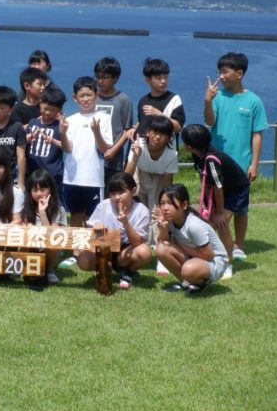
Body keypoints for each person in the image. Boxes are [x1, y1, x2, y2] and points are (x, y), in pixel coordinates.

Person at [204, 52, 268, 262]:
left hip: (241, 162)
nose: (221, 76)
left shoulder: (254, 101)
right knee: (215, 202)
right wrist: (207, 101)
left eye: (225, 72)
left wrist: (254, 164)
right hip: (216, 161)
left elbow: (257, 134)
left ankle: (238, 245)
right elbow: (210, 121)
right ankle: (221, 243)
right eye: (219, 72)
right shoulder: (218, 96)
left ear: (239, 73)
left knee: (241, 206)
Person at [181, 124, 249, 279]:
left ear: (189, 146)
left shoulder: (211, 159)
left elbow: (218, 187)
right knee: (209, 222)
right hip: (222, 189)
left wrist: (219, 212)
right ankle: (210, 257)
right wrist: (206, 203)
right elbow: (205, 179)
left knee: (221, 224)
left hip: (236, 190)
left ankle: (227, 264)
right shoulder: (197, 153)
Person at [60, 76, 112, 267]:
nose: (86, 99)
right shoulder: (70, 120)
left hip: (93, 178)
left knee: (93, 218)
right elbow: (68, 148)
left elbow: (105, 149)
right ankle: (76, 253)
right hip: (72, 177)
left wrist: (96, 131)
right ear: (75, 98)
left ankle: (91, 251)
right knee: (75, 215)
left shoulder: (104, 118)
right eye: (81, 96)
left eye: (89, 95)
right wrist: (62, 131)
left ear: (96, 95)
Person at [78, 172, 152, 290]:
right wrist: (96, 227)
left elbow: (137, 242)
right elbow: (90, 231)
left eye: (121, 192)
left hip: (126, 251)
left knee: (144, 252)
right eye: (113, 193)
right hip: (104, 249)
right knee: (83, 259)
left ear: (133, 191)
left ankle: (129, 272)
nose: (117, 197)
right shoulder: (104, 206)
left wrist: (126, 223)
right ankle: (103, 270)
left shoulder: (142, 211)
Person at [154, 183, 229, 294]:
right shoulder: (170, 220)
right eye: (162, 203)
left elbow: (209, 255)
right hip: (196, 255)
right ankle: (186, 283)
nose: (165, 208)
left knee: (187, 269)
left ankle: (201, 283)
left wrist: (182, 247)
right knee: (161, 248)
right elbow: (162, 242)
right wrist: (164, 228)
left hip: (215, 261)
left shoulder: (194, 225)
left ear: (184, 205)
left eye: (170, 203)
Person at [124, 115, 179, 263]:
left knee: (157, 210)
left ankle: (158, 245)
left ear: (169, 138)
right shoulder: (138, 145)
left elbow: (167, 182)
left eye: (163, 134)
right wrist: (135, 156)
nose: (158, 137)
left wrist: (164, 202)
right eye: (155, 132)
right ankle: (135, 240)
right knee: (136, 207)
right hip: (139, 172)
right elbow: (127, 176)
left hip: (159, 177)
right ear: (148, 132)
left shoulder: (171, 154)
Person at [21, 169, 67, 284]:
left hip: (49, 249)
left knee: (52, 246)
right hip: (31, 245)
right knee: (21, 241)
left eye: (42, 189)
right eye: (35, 190)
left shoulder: (58, 209)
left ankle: (50, 271)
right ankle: (22, 268)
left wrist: (42, 213)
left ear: (50, 189)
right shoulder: (26, 208)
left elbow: (52, 236)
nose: (38, 194)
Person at [94, 57, 133, 187]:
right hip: (93, 157)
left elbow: (127, 130)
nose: (100, 81)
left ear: (115, 78)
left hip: (114, 160)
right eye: (98, 77)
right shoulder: (93, 98)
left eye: (105, 77)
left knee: (112, 192)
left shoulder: (123, 100)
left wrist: (113, 150)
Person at [25, 87, 67, 204]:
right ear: (40, 104)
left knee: (54, 204)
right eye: (45, 108)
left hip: (53, 174)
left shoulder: (60, 126)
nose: (47, 112)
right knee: (33, 204)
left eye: (52, 110)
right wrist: (28, 138)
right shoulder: (33, 122)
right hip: (33, 172)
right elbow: (22, 141)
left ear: (59, 110)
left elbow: (66, 147)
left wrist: (53, 140)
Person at [130, 58, 185, 140]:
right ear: (148, 80)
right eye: (159, 78)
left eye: (166, 77)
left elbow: (178, 127)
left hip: (166, 146)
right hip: (142, 146)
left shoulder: (174, 99)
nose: (163, 81)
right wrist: (134, 128)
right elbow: (142, 122)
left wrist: (159, 114)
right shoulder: (143, 100)